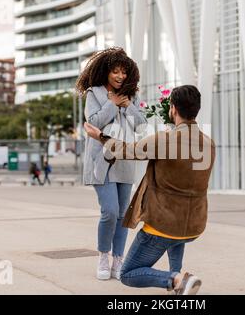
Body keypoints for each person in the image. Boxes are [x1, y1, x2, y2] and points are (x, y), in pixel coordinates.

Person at [84, 85, 216, 295]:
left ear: (173, 109)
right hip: (194, 226)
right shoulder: (209, 144)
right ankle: (180, 281)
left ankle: (175, 279)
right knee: (176, 236)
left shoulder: (165, 140)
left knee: (128, 273)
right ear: (196, 110)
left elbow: (128, 151)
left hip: (163, 225)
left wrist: (101, 136)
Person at [75, 47, 147, 281]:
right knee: (110, 211)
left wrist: (128, 106)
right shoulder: (94, 94)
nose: (120, 76)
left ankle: (118, 259)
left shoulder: (130, 96)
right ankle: (103, 256)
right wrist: (112, 103)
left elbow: (141, 125)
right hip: (101, 162)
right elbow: (93, 123)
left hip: (125, 162)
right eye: (115, 71)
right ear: (106, 72)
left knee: (122, 216)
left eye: (123, 72)